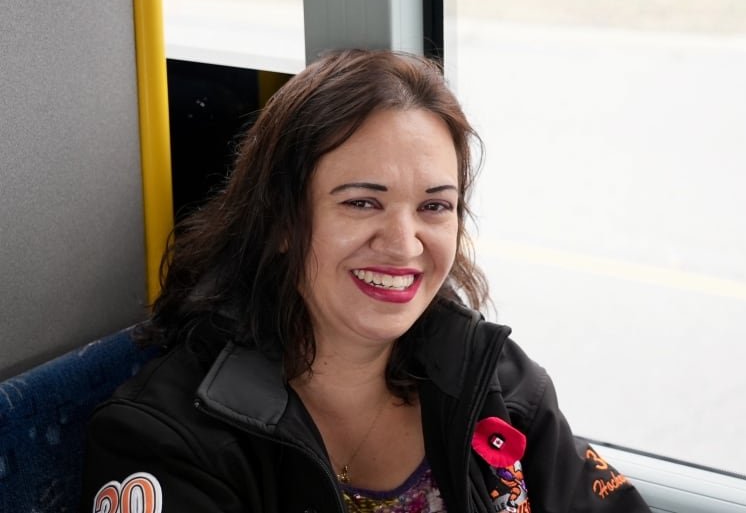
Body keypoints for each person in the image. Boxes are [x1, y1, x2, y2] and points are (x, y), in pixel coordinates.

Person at [80, 49, 650, 513]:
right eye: (361, 202)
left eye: (434, 206)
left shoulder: (490, 377)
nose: (404, 244)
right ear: (281, 220)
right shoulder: (168, 442)